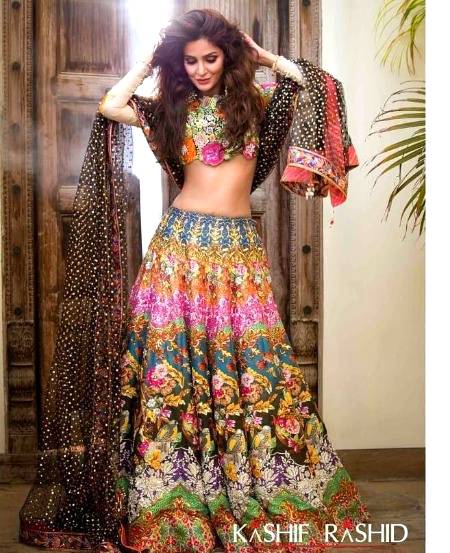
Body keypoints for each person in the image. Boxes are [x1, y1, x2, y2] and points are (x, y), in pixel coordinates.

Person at [19, 8, 367, 553]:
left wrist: (265, 56)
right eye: (190, 60)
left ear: (228, 57)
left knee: (252, 366)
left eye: (211, 58)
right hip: (178, 247)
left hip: (236, 251)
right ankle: (173, 492)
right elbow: (110, 105)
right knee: (169, 366)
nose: (201, 69)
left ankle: (247, 481)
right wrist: (149, 61)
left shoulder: (258, 101)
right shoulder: (172, 109)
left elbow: (319, 86)